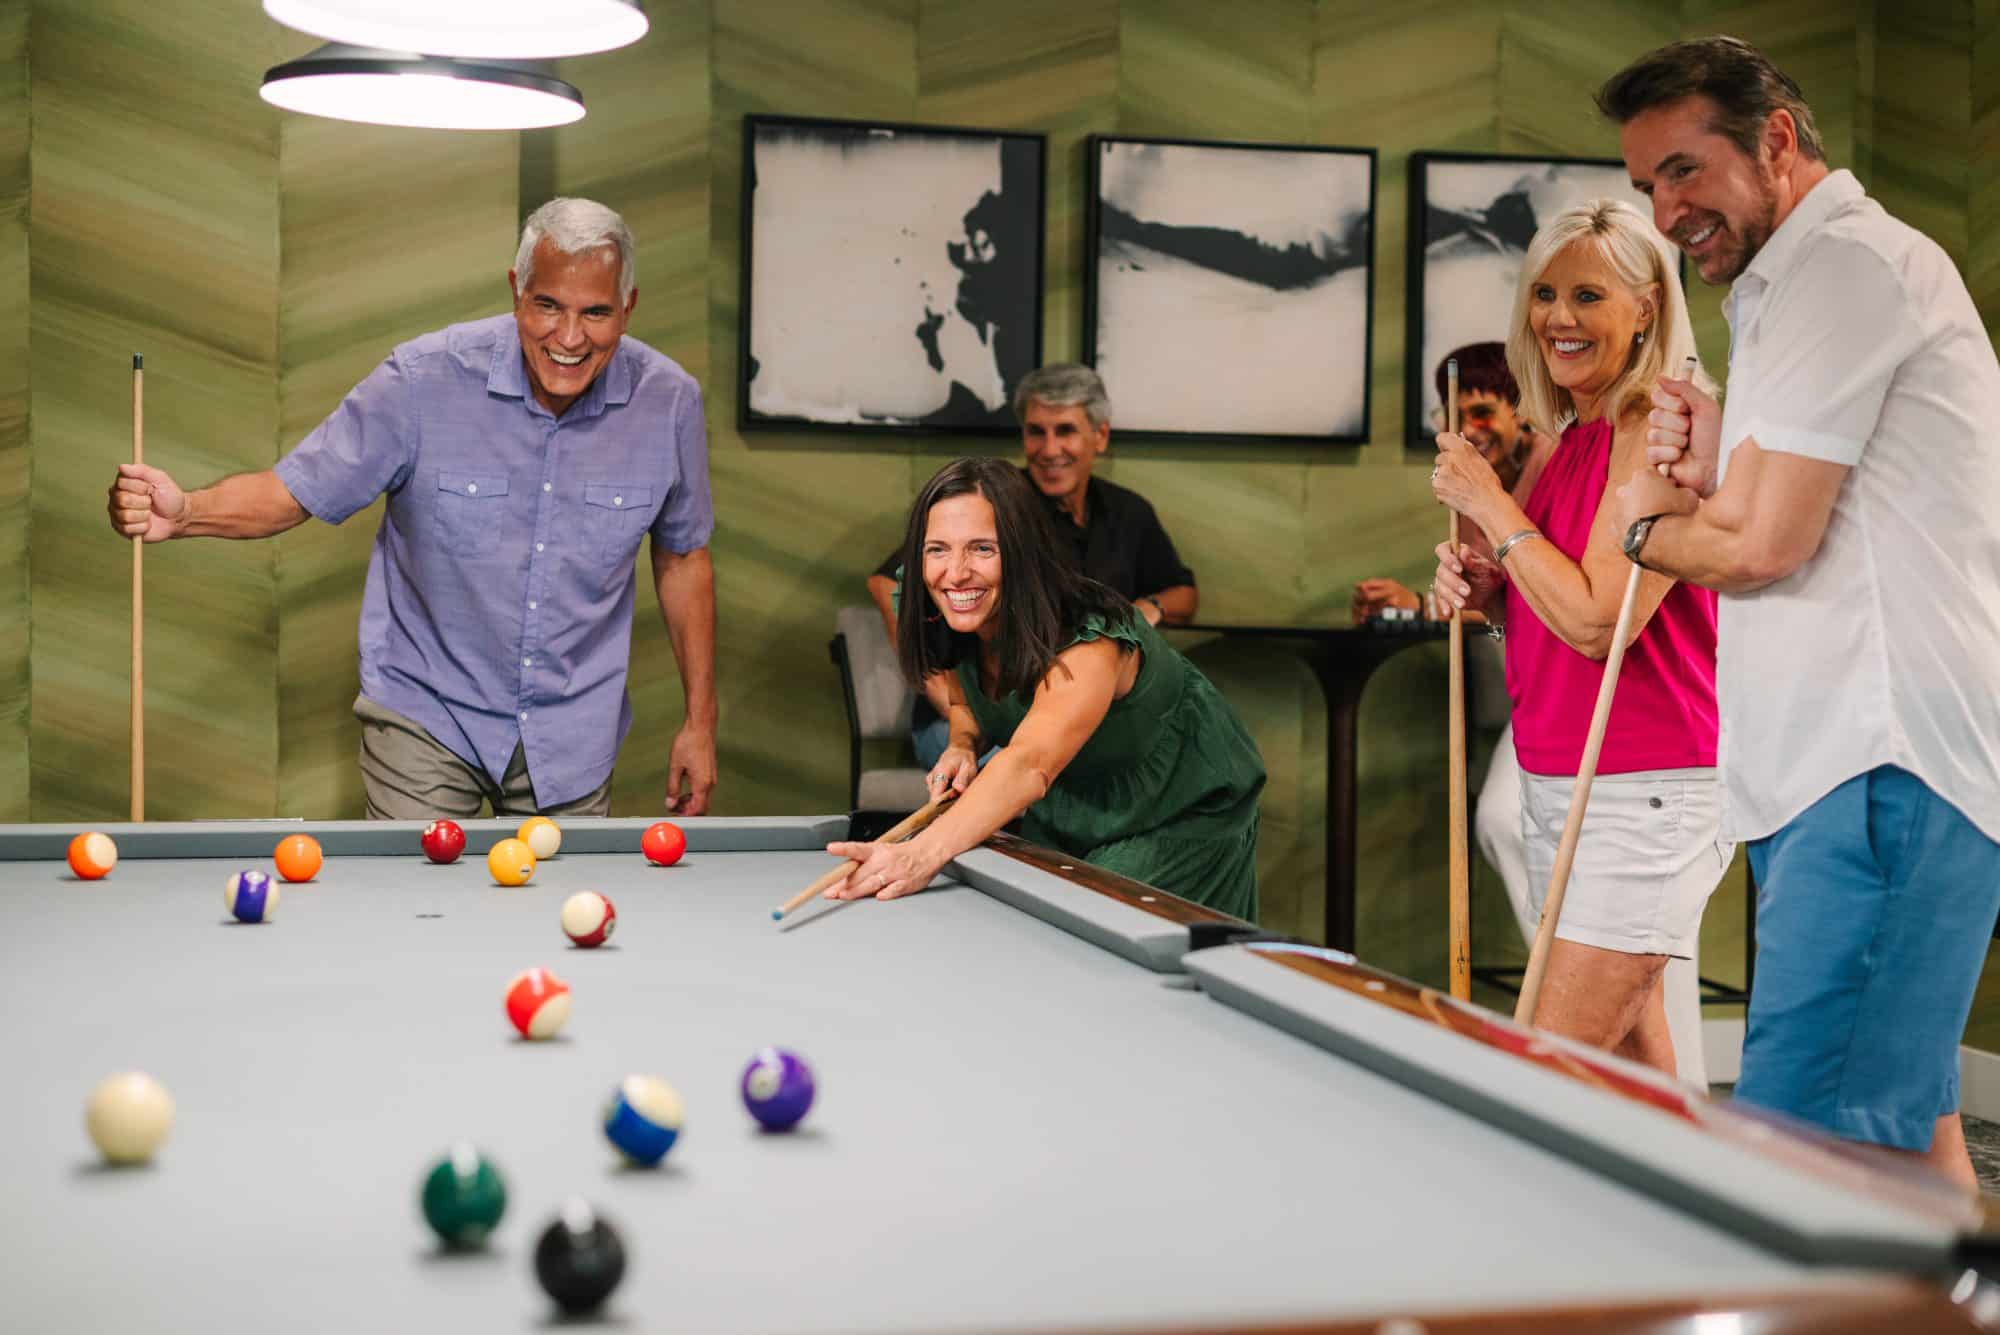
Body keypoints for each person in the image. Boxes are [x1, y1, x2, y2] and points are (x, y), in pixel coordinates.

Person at [1597, 37, 2000, 1187]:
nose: (1666, 211)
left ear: (1774, 140)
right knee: (1910, 1153)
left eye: (1682, 170)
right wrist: (1713, 464)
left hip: (1872, 772)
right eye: (1646, 187)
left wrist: (1639, 524)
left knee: (1802, 1167)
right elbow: (1801, 506)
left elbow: (1762, 545)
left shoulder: (1845, 270)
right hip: (1842, 775)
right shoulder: (1784, 286)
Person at [105, 198, 718, 820]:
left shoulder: (669, 404)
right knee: (415, 912)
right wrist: (183, 514)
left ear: (628, 307)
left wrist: (700, 720)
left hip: (572, 732)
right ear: (516, 290)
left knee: (556, 918)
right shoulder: (422, 380)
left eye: (596, 313)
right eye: (547, 306)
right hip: (426, 715)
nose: (568, 337)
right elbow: (295, 491)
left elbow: (684, 558)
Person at [1429, 198, 1727, 1081]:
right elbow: (1560, 609)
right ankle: (1695, 1215)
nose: (1559, 317)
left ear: (1645, 308)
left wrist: (1490, 503)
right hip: (1567, 781)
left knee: (1548, 1074)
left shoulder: (1659, 426)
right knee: (1646, 1089)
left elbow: (1604, 621)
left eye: (1588, 295)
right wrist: (1494, 594)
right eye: (1545, 292)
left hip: (1644, 790)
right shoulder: (1573, 437)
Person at [826, 457, 1265, 919]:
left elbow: (1030, 765)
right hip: (1069, 805)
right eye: (937, 549)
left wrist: (920, 855)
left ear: (1022, 552)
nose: (955, 573)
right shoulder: (941, 607)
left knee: (1088, 933)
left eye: (982, 549)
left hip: (1179, 814)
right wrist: (962, 742)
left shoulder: (1091, 639)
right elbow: (967, 694)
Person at [866, 363, 1197, 767]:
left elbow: (1184, 594)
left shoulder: (1129, 512)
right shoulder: (990, 500)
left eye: (1066, 431)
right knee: (1033, 765)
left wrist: (1147, 610)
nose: (1050, 449)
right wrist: (950, 699)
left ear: (1101, 436)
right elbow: (887, 583)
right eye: (1036, 431)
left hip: (1078, 716)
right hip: (982, 723)